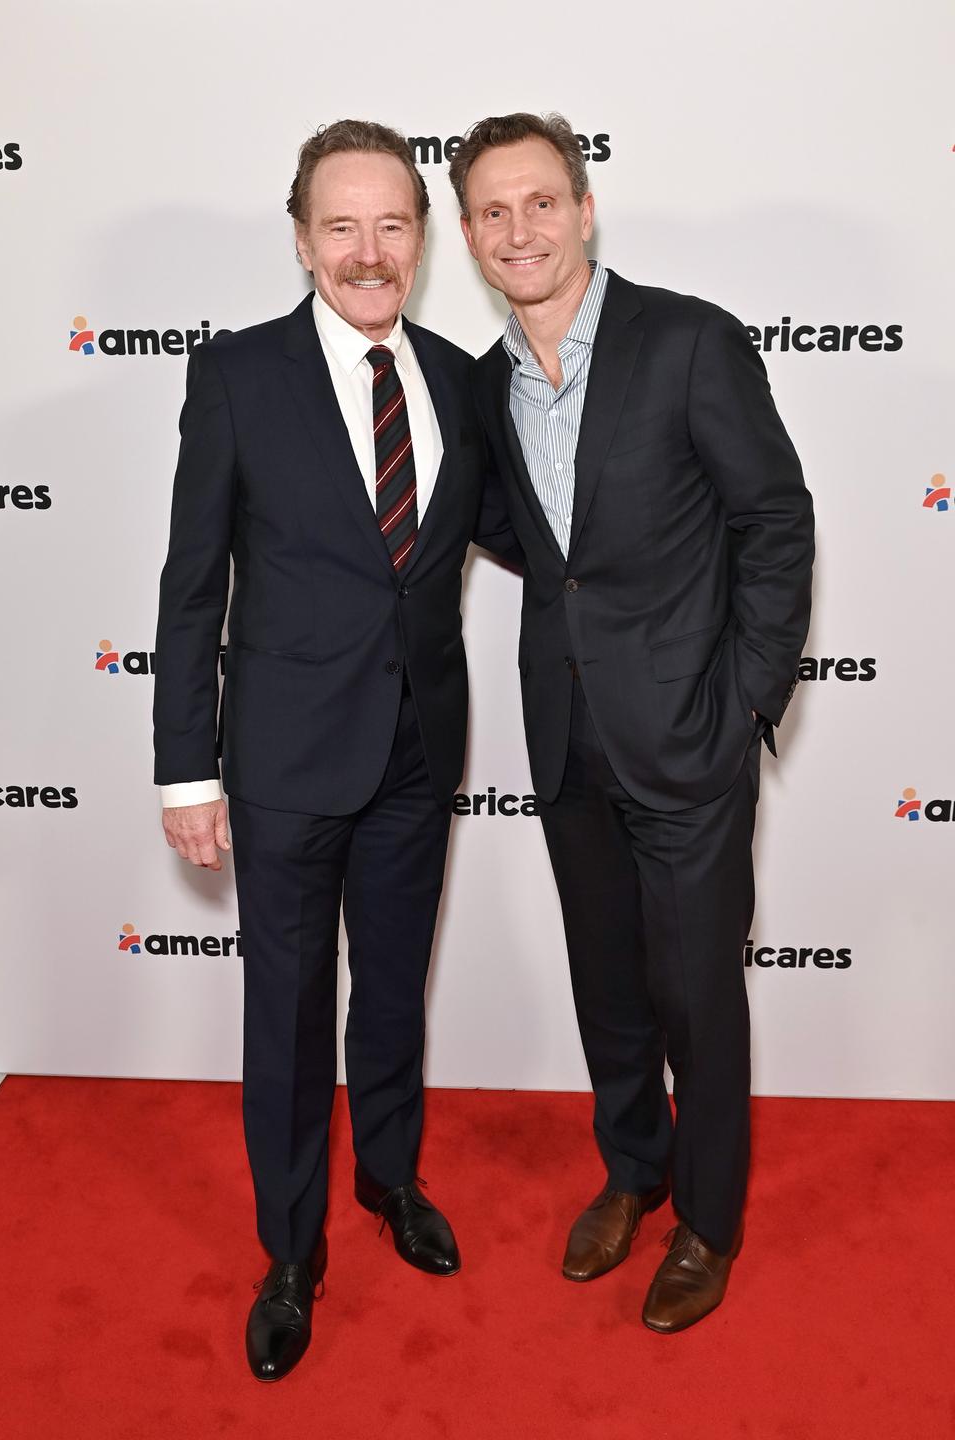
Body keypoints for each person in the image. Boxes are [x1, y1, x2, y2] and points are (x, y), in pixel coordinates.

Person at [153, 120, 514, 1382]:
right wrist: (185, 768)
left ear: (423, 241)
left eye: (394, 225)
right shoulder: (239, 375)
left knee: (394, 993)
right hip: (286, 760)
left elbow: (525, 533)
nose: (370, 252)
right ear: (303, 241)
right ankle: (292, 1251)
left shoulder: (465, 378)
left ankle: (391, 1182)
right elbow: (193, 585)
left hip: (419, 747)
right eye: (342, 227)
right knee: (291, 1016)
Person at [450, 113, 814, 1333]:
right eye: (493, 212)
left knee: (698, 992)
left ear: (584, 209)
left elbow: (775, 521)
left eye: (540, 202)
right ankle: (635, 1173)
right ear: (467, 235)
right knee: (608, 984)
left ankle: (711, 1219)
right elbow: (533, 547)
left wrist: (751, 696)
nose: (520, 230)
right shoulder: (486, 385)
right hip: (566, 736)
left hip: (689, 736)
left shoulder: (690, 344)